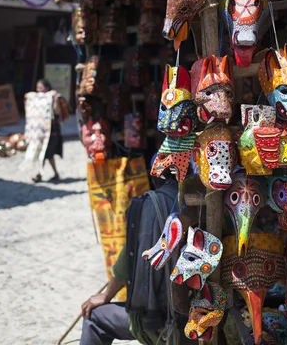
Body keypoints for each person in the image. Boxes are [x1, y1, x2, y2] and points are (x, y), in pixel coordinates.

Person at [80, 172, 188, 345]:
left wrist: (107, 295)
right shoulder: (204, 198)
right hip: (203, 318)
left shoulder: (152, 205)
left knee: (94, 317)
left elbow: (124, 266)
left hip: (168, 326)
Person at [31, 79, 63, 183]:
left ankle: (40, 174)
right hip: (41, 130)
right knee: (45, 153)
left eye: (41, 88)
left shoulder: (52, 98)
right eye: (37, 88)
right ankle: (54, 173)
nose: (39, 90)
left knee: (46, 152)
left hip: (52, 130)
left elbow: (57, 112)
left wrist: (55, 99)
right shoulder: (37, 100)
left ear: (47, 88)